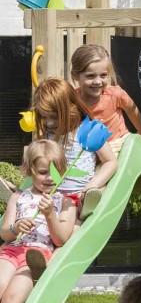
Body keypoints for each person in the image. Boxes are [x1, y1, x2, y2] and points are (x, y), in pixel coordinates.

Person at [0, 139, 76, 303]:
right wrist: (16, 227)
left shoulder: (65, 202)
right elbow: (5, 232)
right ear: (30, 171)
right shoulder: (18, 197)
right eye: (43, 172)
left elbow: (61, 239)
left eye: (55, 171)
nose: (50, 178)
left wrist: (50, 213)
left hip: (36, 260)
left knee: (11, 299)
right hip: (11, 252)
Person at [33, 78, 118, 221]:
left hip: (77, 196)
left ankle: (86, 207)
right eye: (44, 117)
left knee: (93, 193)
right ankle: (19, 197)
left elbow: (111, 162)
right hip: (51, 197)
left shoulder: (88, 130)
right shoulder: (46, 134)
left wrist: (93, 184)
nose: (49, 122)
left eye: (54, 117)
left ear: (71, 108)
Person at [71, 44, 141, 156]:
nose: (98, 81)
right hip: (90, 147)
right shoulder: (73, 99)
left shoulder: (114, 94)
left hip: (117, 143)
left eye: (103, 75)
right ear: (75, 75)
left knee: (104, 167)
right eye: (91, 76)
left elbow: (131, 109)